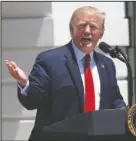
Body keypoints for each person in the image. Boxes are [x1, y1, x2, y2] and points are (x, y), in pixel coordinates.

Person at [5, 6, 126, 141]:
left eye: (93, 27)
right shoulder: (50, 61)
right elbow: (34, 100)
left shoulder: (107, 64)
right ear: (71, 29)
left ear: (101, 33)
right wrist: (24, 83)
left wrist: (127, 114)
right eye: (81, 26)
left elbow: (114, 100)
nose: (87, 31)